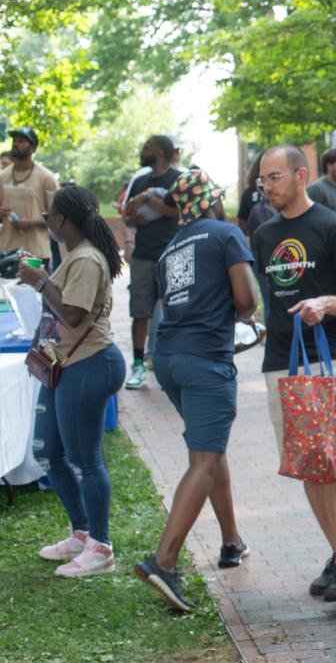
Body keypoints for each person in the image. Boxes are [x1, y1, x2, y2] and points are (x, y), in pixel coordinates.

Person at [133, 169, 259, 612]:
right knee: (204, 460)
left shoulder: (171, 247)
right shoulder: (226, 234)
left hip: (169, 359)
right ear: (211, 201)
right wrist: (246, 320)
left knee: (211, 451)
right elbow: (246, 301)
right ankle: (163, 561)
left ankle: (231, 541)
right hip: (206, 359)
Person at [252, 145, 336, 602]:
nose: (267, 186)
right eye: (263, 179)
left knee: (334, 464)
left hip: (324, 358)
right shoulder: (262, 234)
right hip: (279, 361)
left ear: (302, 175)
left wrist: (325, 303)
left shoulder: (333, 226)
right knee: (307, 464)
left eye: (275, 177)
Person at [19, 185, 126, 577]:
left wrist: (40, 280)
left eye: (48, 216)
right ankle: (82, 533)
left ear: (62, 220)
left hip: (90, 364)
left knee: (85, 460)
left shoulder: (86, 259)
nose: (46, 222)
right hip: (65, 364)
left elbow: (74, 316)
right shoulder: (74, 255)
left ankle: (101, 547)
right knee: (50, 451)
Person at [123, 135, 182, 389]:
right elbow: (127, 217)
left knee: (176, 311)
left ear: (158, 152)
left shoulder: (177, 180)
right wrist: (133, 217)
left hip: (172, 254)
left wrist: (149, 199)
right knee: (140, 312)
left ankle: (172, 365)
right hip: (143, 256)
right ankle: (138, 366)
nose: (142, 151)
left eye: (147, 147)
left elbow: (177, 211)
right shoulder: (140, 179)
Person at [0, 126, 59, 264]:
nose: (15, 144)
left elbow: (58, 217)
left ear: (33, 148)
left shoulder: (47, 178)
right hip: (5, 251)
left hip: (36, 253)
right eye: (14, 140)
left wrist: (31, 223)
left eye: (21, 141)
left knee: (34, 286)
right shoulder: (2, 177)